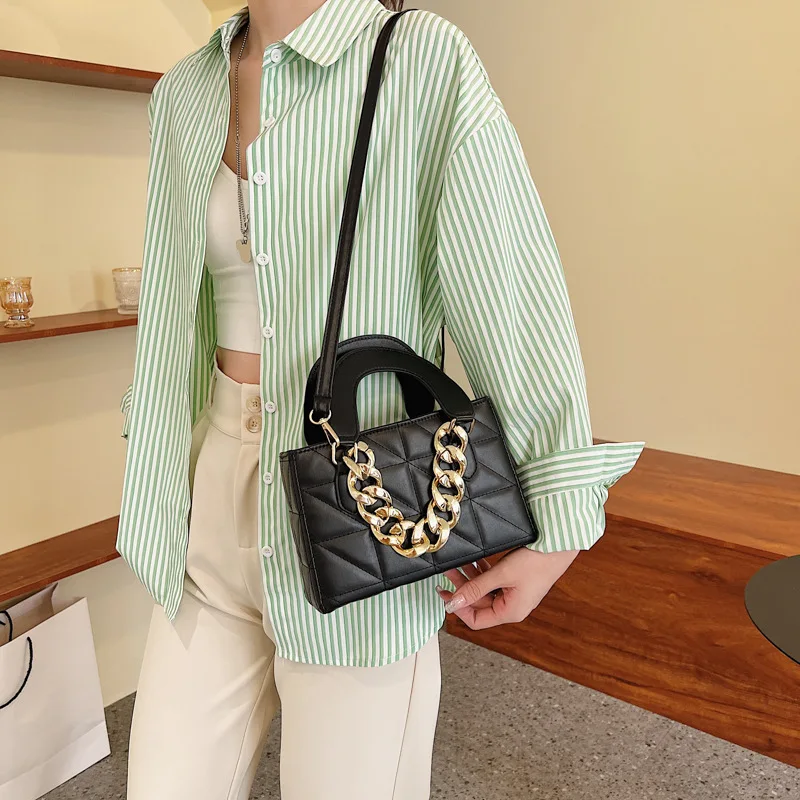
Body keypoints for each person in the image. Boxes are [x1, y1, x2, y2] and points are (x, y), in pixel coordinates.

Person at [117, 1, 644, 798]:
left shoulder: (421, 61)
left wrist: (559, 512)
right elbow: (170, 315)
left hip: (363, 505)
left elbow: (506, 289)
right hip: (208, 503)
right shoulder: (185, 93)